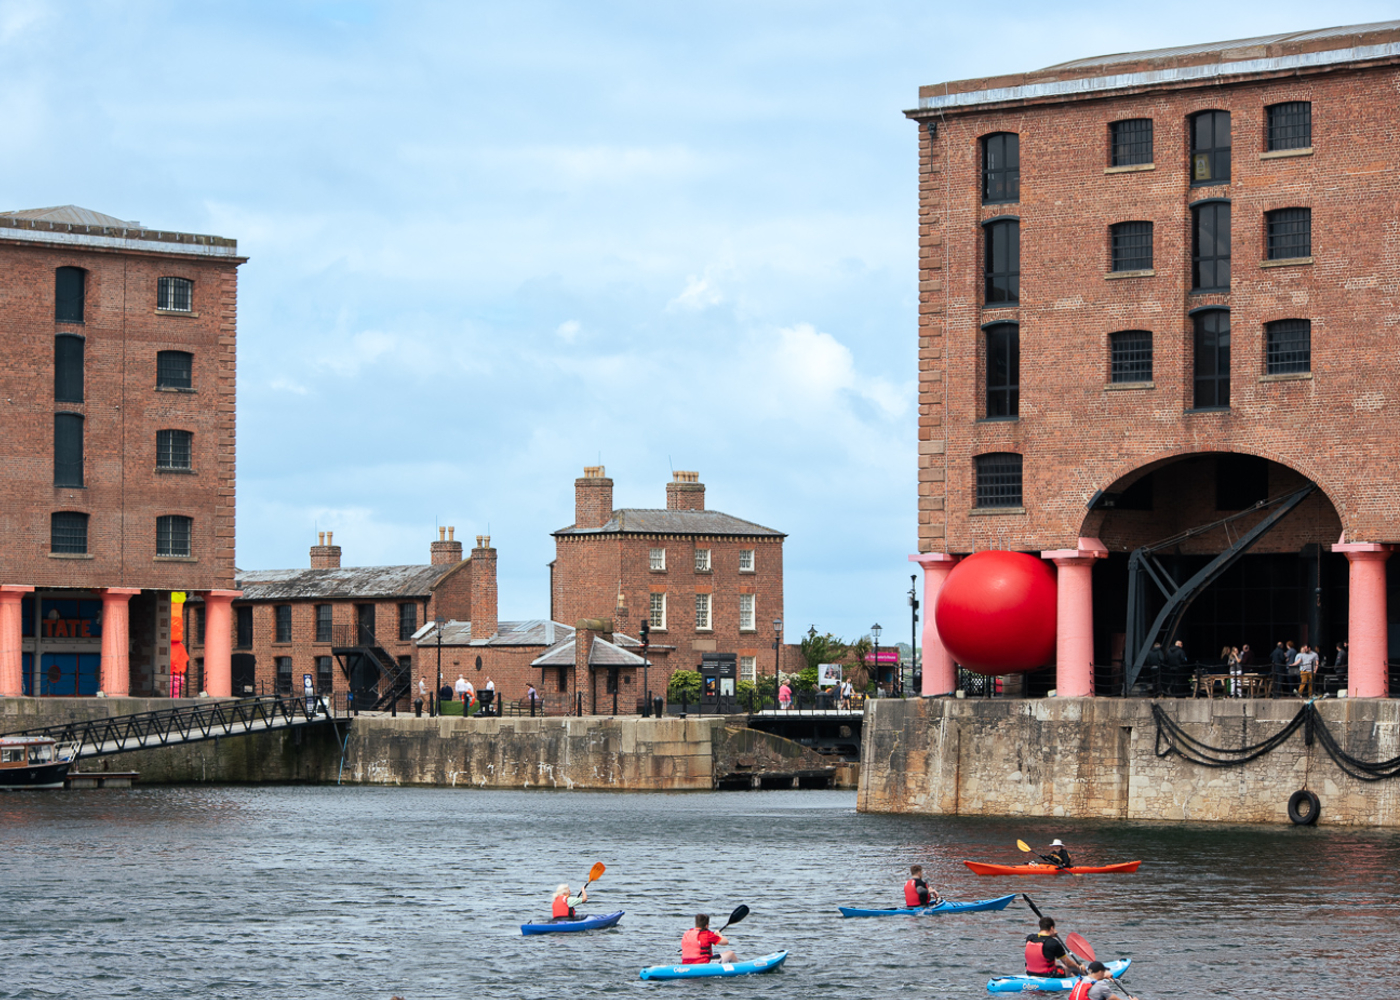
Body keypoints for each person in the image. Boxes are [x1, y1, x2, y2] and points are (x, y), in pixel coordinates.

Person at [1069, 961, 1138, 1000]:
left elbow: (1092, 978)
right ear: (1100, 972)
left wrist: (1103, 976)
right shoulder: (1100, 985)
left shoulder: (1079, 980)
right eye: (1104, 971)